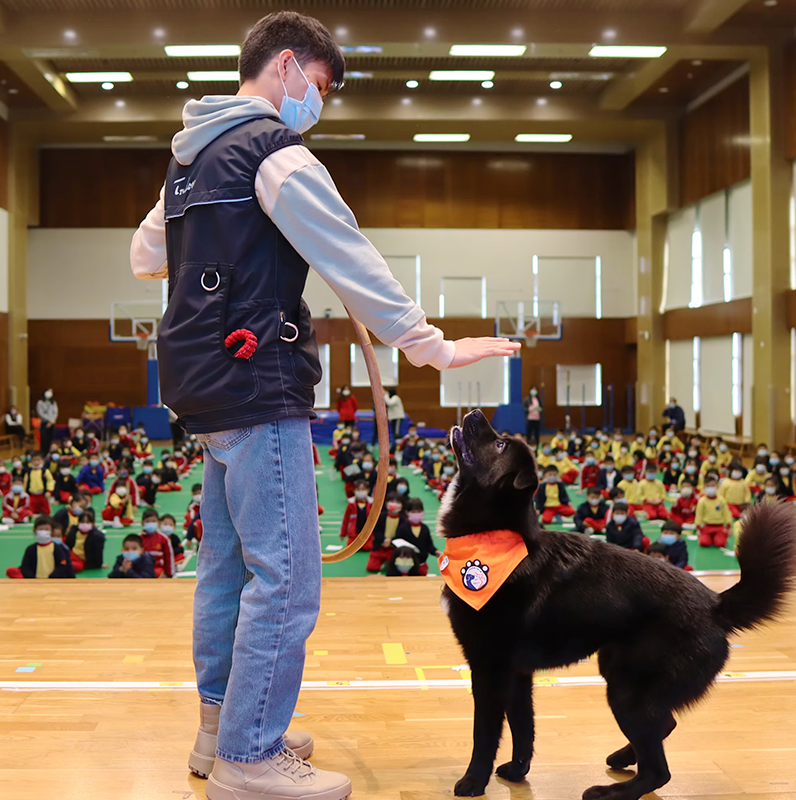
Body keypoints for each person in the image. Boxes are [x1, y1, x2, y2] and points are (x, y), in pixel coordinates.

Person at [130, 11, 518, 798]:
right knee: (286, 581)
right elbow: (349, 254)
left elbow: (144, 257)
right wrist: (433, 347)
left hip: (199, 387)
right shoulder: (273, 150)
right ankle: (249, 755)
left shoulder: (188, 159)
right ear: (284, 66)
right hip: (256, 382)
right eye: (319, 85)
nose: (319, 103)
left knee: (226, 571)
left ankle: (221, 729)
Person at [5, 516, 75, 579]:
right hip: (35, 582)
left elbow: (62, 566)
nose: (43, 532)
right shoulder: (31, 549)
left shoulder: (58, 548)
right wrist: (32, 579)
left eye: (46, 529)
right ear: (34, 531)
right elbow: (26, 567)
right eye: (41, 530)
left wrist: (52, 578)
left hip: (54, 582)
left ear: (52, 531)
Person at [394, 497, 439, 576]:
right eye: (413, 512)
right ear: (407, 512)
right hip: (407, 565)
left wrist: (435, 551)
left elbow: (429, 544)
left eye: (419, 512)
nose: (416, 514)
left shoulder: (425, 528)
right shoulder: (402, 528)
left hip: (421, 563)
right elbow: (397, 543)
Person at [366, 492, 405, 573]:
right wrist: (383, 540)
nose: (394, 504)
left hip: (393, 548)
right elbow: (376, 530)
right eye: (392, 501)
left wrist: (391, 541)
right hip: (380, 546)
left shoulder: (403, 520)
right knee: (371, 567)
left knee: (393, 569)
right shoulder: (380, 516)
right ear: (386, 503)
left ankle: (388, 562)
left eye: (397, 502)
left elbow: (401, 535)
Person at [695, 476, 733, 548]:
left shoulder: (721, 500)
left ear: (717, 486)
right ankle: (711, 537)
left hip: (719, 526)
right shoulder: (702, 501)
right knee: (704, 542)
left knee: (720, 543)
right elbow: (699, 515)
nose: (710, 488)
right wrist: (698, 528)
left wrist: (728, 527)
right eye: (708, 486)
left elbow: (727, 514)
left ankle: (718, 537)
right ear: (704, 487)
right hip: (707, 526)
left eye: (712, 486)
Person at [139, 507, 175, 578]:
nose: (151, 524)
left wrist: (169, 574)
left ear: (158, 523)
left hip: (158, 569)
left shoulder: (164, 539)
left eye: (153, 521)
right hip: (142, 569)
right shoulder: (138, 538)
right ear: (142, 523)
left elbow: (168, 557)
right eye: (148, 522)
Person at [339, 479, 373, 549]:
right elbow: (345, 519)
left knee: (368, 547)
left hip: (367, 534)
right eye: (358, 489)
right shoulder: (350, 504)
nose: (360, 491)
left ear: (368, 490)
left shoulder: (371, 504)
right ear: (354, 491)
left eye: (363, 489)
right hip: (354, 534)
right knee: (351, 548)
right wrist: (342, 534)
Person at [36, 389, 58, 455]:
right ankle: (43, 453)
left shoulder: (53, 403)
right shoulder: (40, 402)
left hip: (52, 423)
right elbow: (40, 413)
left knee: (50, 439)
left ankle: (50, 453)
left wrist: (52, 421)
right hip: (44, 423)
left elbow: (55, 412)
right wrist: (49, 420)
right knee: (44, 439)